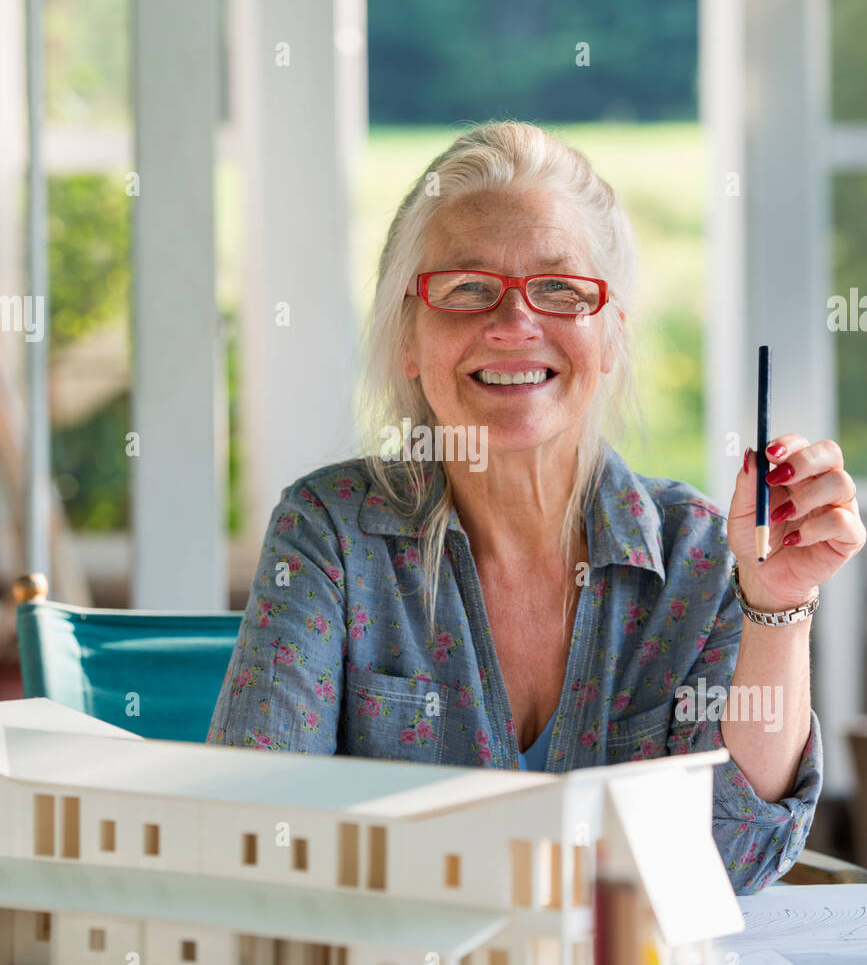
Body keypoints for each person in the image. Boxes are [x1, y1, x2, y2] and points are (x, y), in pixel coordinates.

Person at [206, 121, 865, 895]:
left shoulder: (701, 553)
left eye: (557, 289)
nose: (513, 323)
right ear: (407, 344)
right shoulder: (330, 530)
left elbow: (732, 860)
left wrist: (775, 606)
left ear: (610, 334)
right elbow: (255, 833)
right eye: (465, 289)